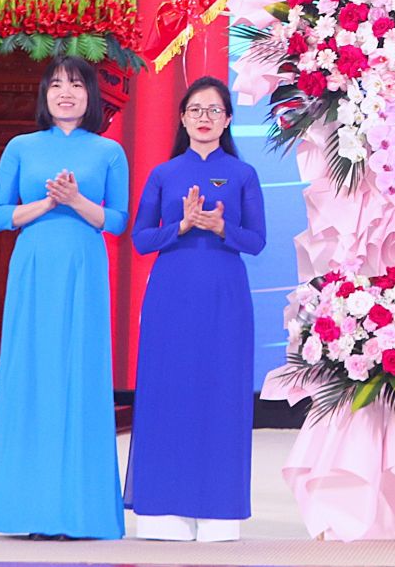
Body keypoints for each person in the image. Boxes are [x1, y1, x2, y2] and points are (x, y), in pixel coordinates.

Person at [0, 56, 129, 540]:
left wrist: (76, 201)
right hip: (34, 266)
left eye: (77, 85)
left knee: (79, 374)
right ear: (45, 94)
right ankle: (26, 509)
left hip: (83, 267)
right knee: (33, 372)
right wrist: (47, 202)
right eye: (57, 85)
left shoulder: (108, 152)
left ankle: (78, 512)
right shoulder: (20, 147)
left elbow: (118, 220)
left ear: (91, 96)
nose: (67, 93)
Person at [123, 76, 266, 542]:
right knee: (169, 390)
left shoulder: (242, 174)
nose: (204, 118)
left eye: (214, 110)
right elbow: (141, 239)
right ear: (182, 119)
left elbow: (257, 241)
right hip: (171, 295)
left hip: (224, 297)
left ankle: (218, 509)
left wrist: (223, 229)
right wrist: (181, 226)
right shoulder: (164, 174)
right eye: (195, 110)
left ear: (227, 120)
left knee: (221, 393)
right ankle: (163, 508)